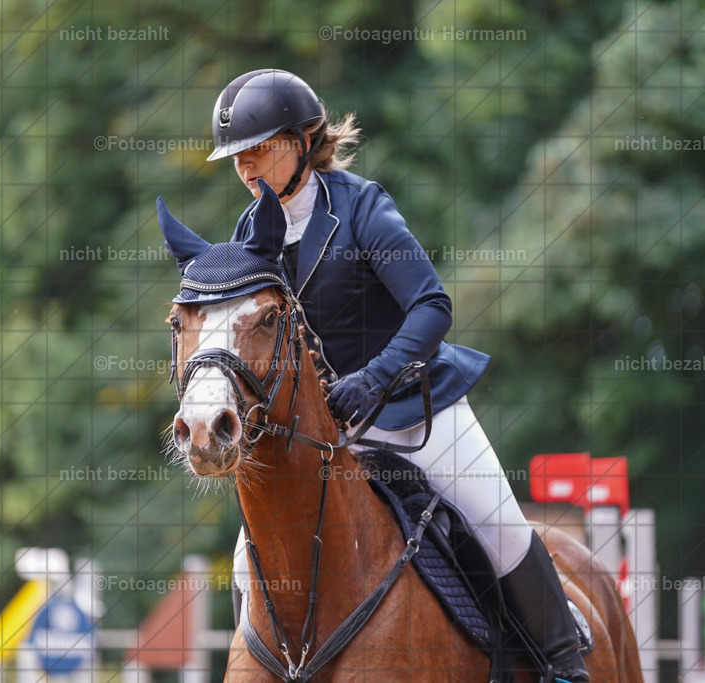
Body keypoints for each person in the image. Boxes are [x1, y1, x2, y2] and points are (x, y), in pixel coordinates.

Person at [207, 68, 589, 683]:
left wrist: (375, 377)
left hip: (412, 409)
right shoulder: (249, 237)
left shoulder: (362, 209)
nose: (247, 166)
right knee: (248, 555)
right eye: (236, 156)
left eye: (260, 148)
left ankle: (563, 665)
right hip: (325, 437)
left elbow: (432, 306)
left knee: (498, 524)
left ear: (305, 140)